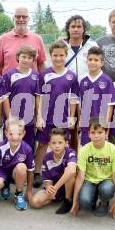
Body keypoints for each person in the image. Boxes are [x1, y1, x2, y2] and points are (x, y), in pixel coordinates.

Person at [34, 40, 78, 187]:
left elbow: (73, 98)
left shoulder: (71, 76)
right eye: (55, 55)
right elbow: (39, 96)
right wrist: (39, 116)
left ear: (66, 56)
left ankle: (62, 172)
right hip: (46, 118)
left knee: (62, 145)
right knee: (43, 144)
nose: (58, 58)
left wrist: (72, 117)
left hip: (63, 118)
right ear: (50, 55)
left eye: (61, 55)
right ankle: (37, 172)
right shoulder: (45, 74)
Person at [70, 117, 115, 218]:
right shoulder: (84, 150)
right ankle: (93, 196)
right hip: (89, 180)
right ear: (89, 134)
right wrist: (75, 202)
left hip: (106, 181)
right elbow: (80, 177)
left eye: (100, 132)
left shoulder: (114, 150)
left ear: (106, 133)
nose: (96, 136)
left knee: (107, 189)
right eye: (93, 132)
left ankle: (104, 202)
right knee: (85, 203)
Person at [62, 15, 98, 152]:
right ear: (68, 29)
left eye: (79, 27)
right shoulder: (62, 46)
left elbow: (98, 64)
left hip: (88, 91)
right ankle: (72, 158)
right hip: (68, 94)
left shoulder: (92, 45)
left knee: (88, 127)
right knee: (71, 129)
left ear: (84, 29)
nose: (76, 29)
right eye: (73, 26)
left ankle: (87, 159)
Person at [0, 117, 34, 211]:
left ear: (24, 133)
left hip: (15, 173)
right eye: (11, 134)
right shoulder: (0, 147)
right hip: (1, 171)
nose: (15, 137)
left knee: (22, 167)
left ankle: (19, 194)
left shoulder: (27, 149)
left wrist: (29, 191)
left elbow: (30, 171)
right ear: (6, 133)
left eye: (19, 134)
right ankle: (5, 185)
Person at [30, 128, 76, 214]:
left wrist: (55, 188)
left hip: (67, 186)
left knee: (68, 171)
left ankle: (68, 200)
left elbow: (72, 170)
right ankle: (56, 198)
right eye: (54, 143)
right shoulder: (47, 157)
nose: (57, 146)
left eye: (60, 143)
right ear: (49, 144)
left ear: (66, 144)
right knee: (35, 202)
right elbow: (48, 180)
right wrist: (49, 188)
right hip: (55, 187)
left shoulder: (70, 153)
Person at [3, 45, 40, 150]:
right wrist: (9, 116)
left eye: (29, 58)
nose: (26, 60)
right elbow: (5, 98)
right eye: (24, 57)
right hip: (13, 119)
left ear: (33, 60)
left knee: (28, 148)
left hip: (28, 119)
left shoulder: (36, 75)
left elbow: (38, 97)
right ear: (18, 57)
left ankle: (28, 166)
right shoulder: (9, 75)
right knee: (10, 146)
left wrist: (39, 116)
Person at [78, 47, 115, 146]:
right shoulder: (82, 80)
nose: (92, 62)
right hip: (86, 123)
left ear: (102, 63)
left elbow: (110, 104)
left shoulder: (107, 80)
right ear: (86, 61)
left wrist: (106, 123)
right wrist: (80, 119)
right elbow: (79, 103)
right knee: (86, 150)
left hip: (101, 123)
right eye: (90, 59)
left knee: (101, 152)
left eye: (96, 60)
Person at [0, 7, 46, 75]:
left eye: (24, 17)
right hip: (8, 84)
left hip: (31, 84)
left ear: (28, 19)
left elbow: (41, 64)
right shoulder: (3, 39)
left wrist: (42, 82)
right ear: (13, 19)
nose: (21, 19)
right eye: (18, 17)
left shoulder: (37, 39)